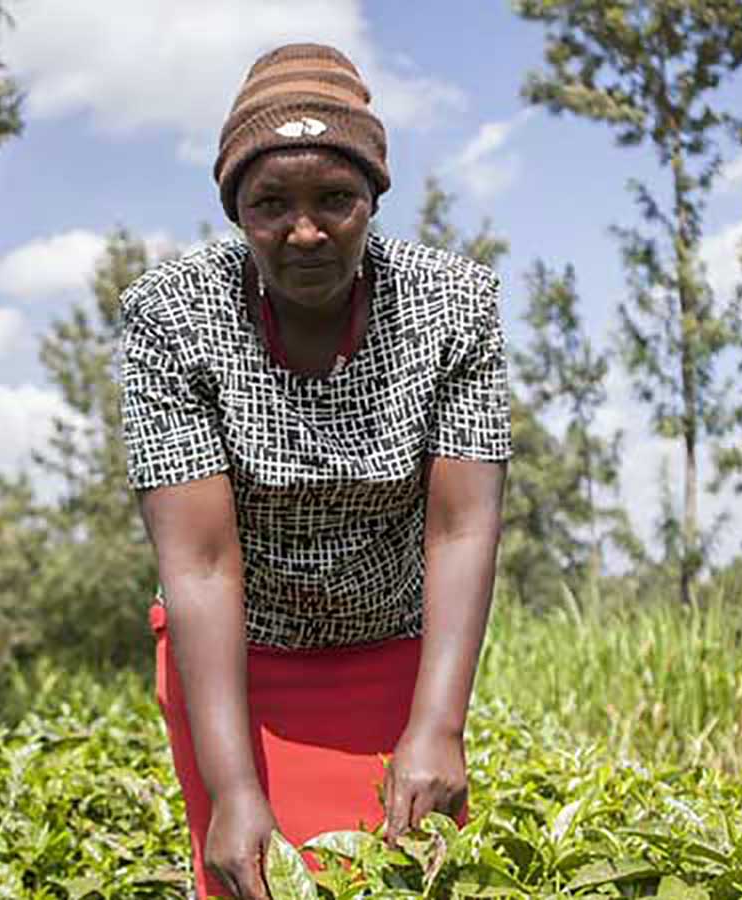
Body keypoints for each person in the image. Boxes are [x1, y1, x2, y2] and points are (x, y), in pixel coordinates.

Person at [119, 42, 511, 900]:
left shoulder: (453, 304)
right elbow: (200, 562)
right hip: (232, 669)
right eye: (271, 204)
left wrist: (439, 726)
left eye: (336, 198)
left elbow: (461, 524)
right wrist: (232, 789)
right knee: (248, 875)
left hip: (397, 657)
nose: (305, 231)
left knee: (406, 882)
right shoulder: (171, 315)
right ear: (235, 211)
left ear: (373, 199)